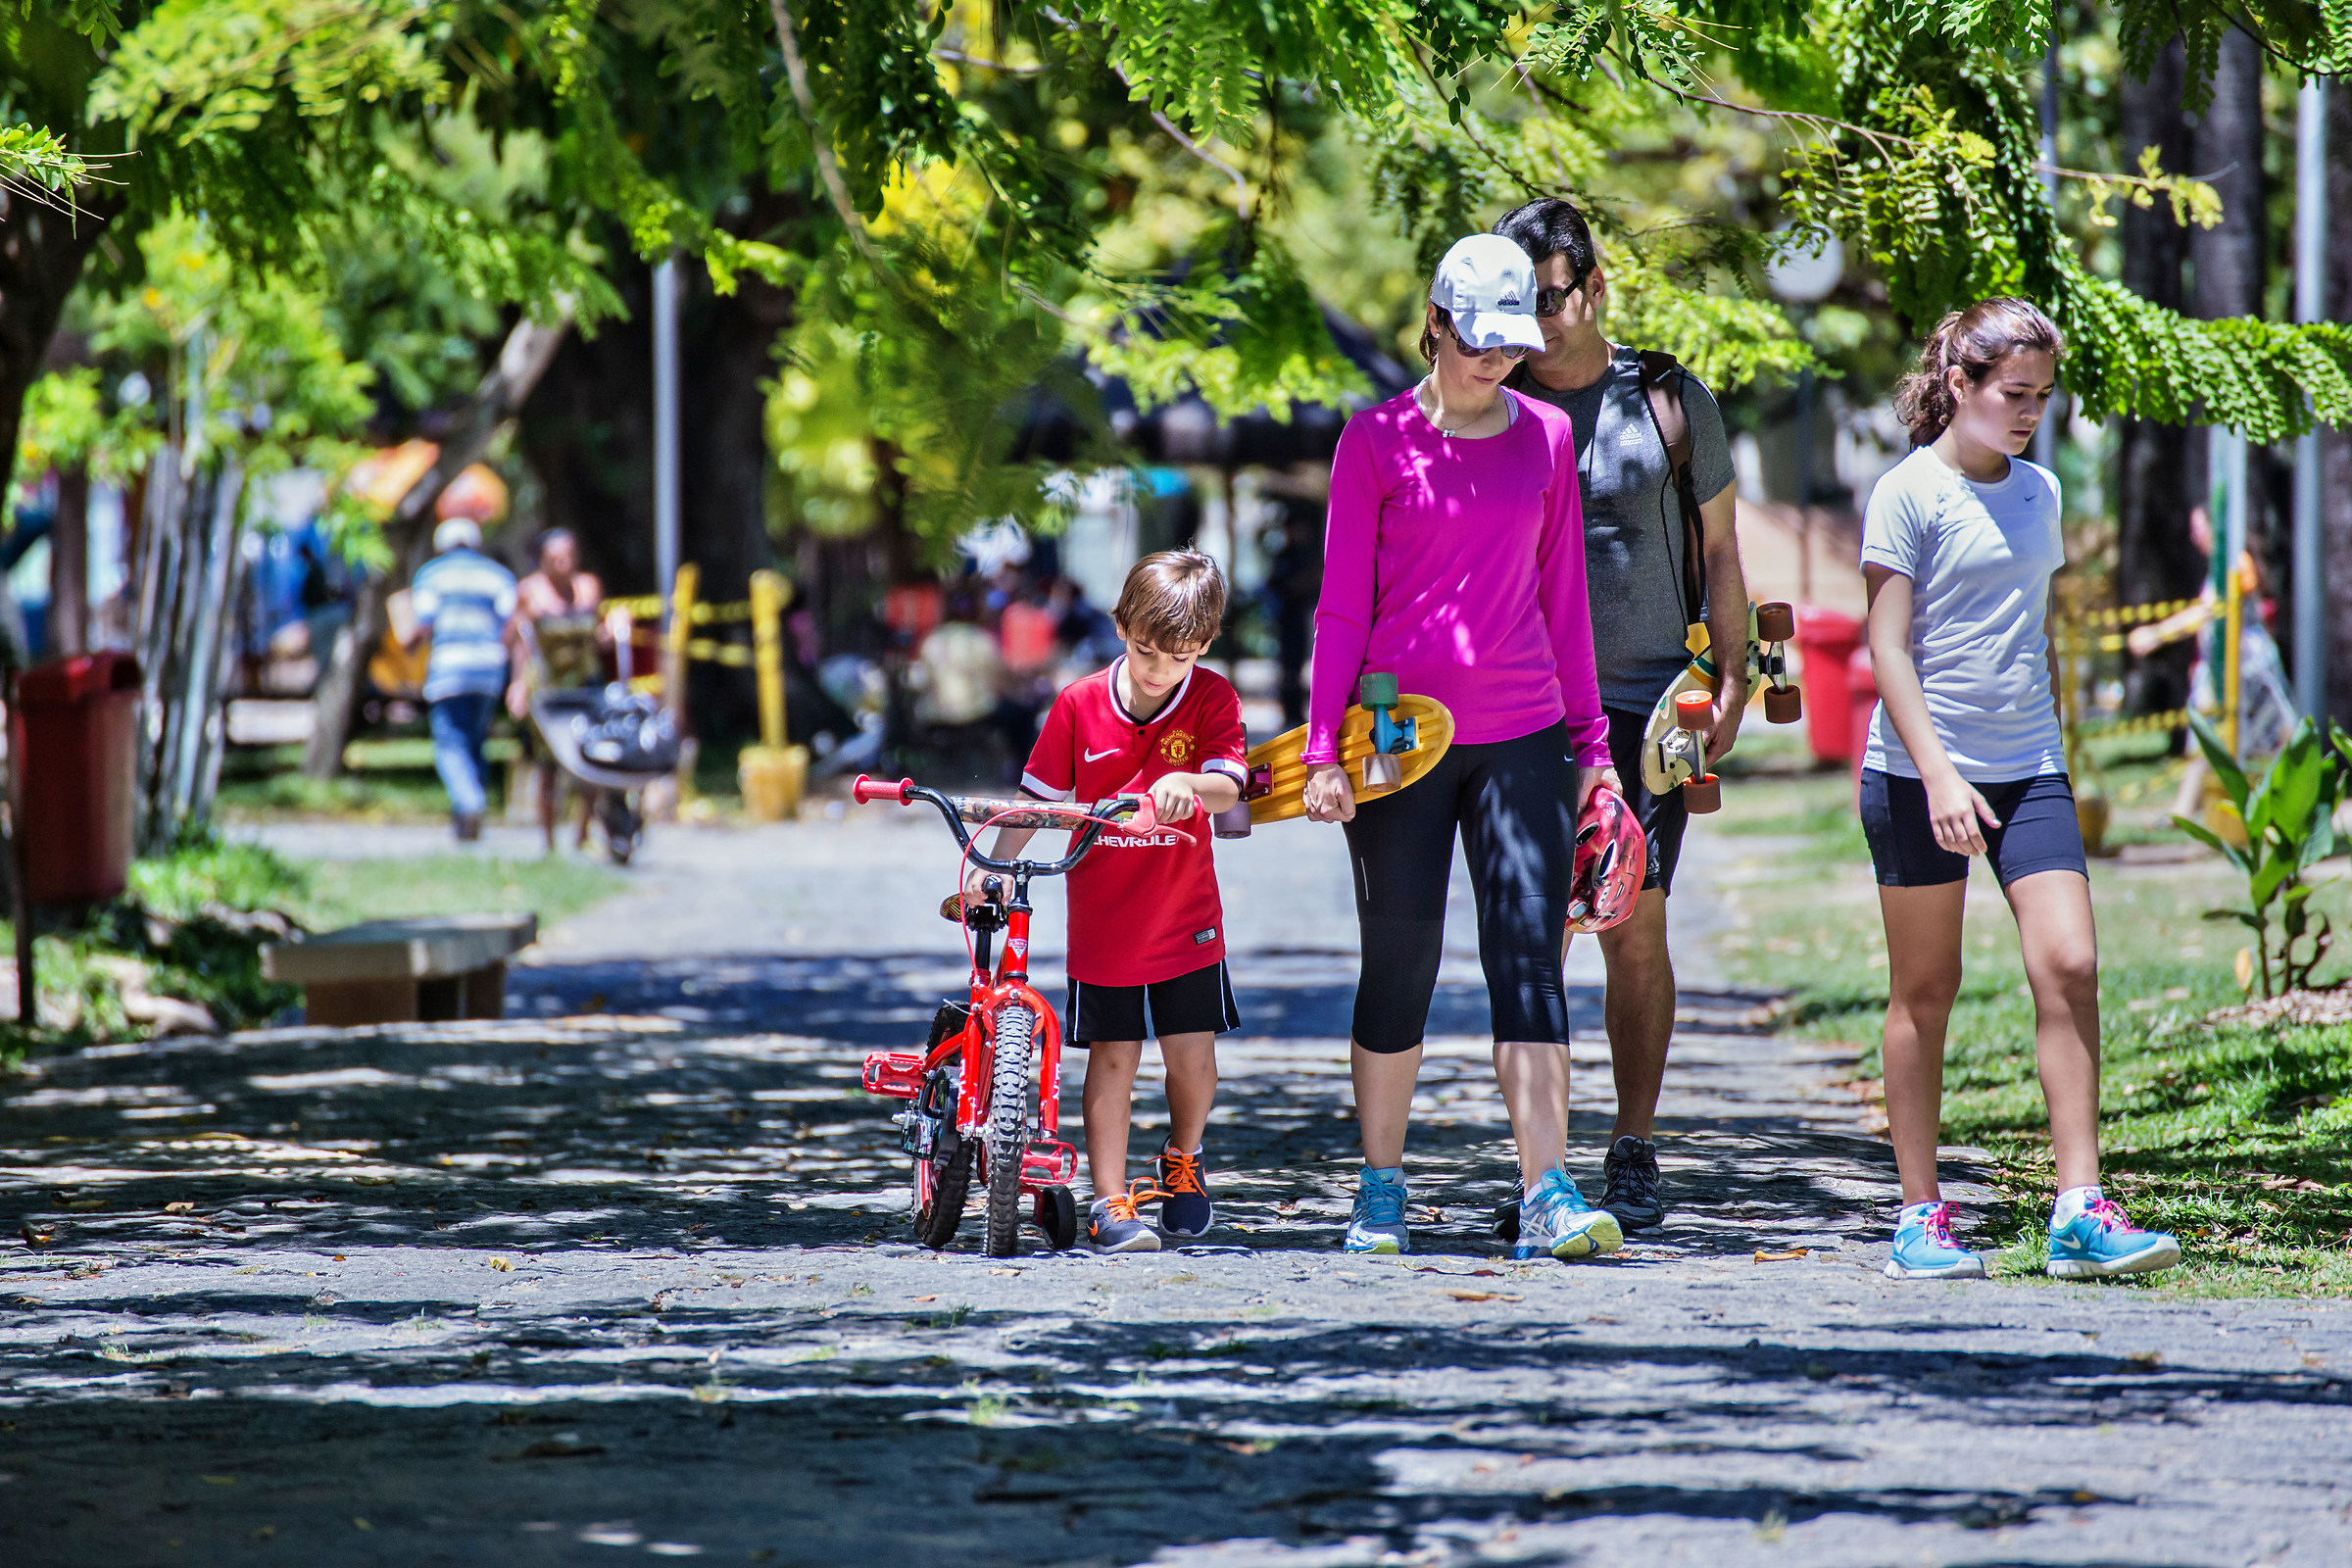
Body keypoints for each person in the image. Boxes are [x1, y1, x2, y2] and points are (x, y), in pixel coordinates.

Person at [1302, 233, 1619, 1262]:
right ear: (1433, 322)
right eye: (1476, 341)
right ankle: (1381, 1189)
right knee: (1401, 959)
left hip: (1526, 735)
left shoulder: (1547, 439)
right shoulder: (1375, 441)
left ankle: (1548, 1191)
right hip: (1397, 739)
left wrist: (1594, 747)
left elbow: (1562, 596)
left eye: (1509, 344)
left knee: (1528, 963)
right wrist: (1319, 751)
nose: (1495, 362)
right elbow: (1343, 609)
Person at [1862, 298, 2179, 1281]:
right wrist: (1941, 773)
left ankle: (2080, 1207)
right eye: (2013, 393)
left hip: (2029, 761)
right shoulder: (1907, 493)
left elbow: (2021, 631)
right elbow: (1887, 648)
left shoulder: (2038, 490)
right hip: (1920, 772)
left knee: (2072, 963)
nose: (2029, 411)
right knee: (1926, 989)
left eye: (2041, 395)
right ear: (1960, 384)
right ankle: (1920, 1214)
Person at [1494, 197, 1749, 1233]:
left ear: (1595, 288)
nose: (1535, 321)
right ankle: (1539, 1172)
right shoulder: (1490, 398)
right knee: (1534, 934)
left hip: (1650, 706)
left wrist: (1730, 684)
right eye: (1517, 302)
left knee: (1631, 926)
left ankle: (1631, 1145)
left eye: (1550, 298)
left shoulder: (1667, 397)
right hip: (1520, 700)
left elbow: (1722, 555)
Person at [975, 551, 1248, 1253]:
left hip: (1187, 918)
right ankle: (1109, 1199)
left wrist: (1191, 784)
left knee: (1192, 1060)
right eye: (1146, 650)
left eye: (1179, 656)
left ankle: (1182, 1160)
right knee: (1113, 1058)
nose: (1159, 669)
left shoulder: (1214, 698)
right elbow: (1032, 806)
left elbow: (1231, 783)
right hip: (1104, 923)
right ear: (1121, 626)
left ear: (1205, 646)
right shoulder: (1078, 705)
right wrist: (984, 866)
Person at [407, 512, 518, 841]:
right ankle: (470, 810)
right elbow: (512, 620)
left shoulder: (431, 576)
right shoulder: (496, 575)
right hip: (489, 668)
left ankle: (469, 802)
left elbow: (423, 622)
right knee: (476, 740)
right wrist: (501, 652)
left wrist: (413, 642)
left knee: (450, 740)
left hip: (448, 666)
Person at [505, 528, 612, 853]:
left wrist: (613, 631)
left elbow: (599, 633)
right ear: (543, 561)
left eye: (569, 556)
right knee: (547, 763)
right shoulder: (530, 592)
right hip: (549, 686)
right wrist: (518, 684)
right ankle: (548, 839)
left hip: (585, 683)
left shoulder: (589, 588)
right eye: (556, 558)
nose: (564, 563)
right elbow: (518, 640)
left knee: (590, 759)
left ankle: (582, 832)